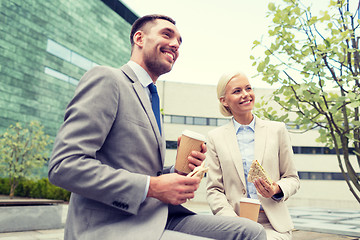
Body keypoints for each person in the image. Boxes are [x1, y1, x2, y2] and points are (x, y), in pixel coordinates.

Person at [48, 15, 266, 240]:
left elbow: (144, 172)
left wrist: (177, 173)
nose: (176, 45)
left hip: (158, 215)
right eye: (167, 34)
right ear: (139, 38)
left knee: (251, 231)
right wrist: (152, 187)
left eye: (180, 41)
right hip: (113, 224)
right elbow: (64, 166)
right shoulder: (108, 79)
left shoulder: (151, 96)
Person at [206, 71, 300, 240]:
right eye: (237, 91)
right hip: (234, 224)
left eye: (248, 88)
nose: (246, 95)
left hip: (273, 225)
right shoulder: (214, 138)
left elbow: (292, 178)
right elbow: (214, 190)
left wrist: (275, 189)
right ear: (224, 101)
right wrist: (232, 221)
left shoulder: (277, 130)